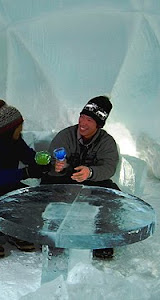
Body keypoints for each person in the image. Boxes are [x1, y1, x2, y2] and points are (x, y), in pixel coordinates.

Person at [41, 95, 119, 259]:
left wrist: (90, 172)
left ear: (98, 124)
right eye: (82, 117)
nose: (83, 123)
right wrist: (57, 167)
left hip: (93, 182)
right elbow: (51, 161)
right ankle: (48, 235)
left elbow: (109, 168)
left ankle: (103, 241)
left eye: (89, 120)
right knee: (45, 191)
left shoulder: (107, 142)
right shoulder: (65, 136)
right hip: (64, 179)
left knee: (112, 196)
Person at [0, 99, 47, 258]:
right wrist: (25, 173)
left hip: (7, 184)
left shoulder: (15, 141)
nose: (21, 128)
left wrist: (44, 162)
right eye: (19, 126)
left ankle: (17, 235)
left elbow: (29, 156)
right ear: (10, 128)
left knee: (30, 199)